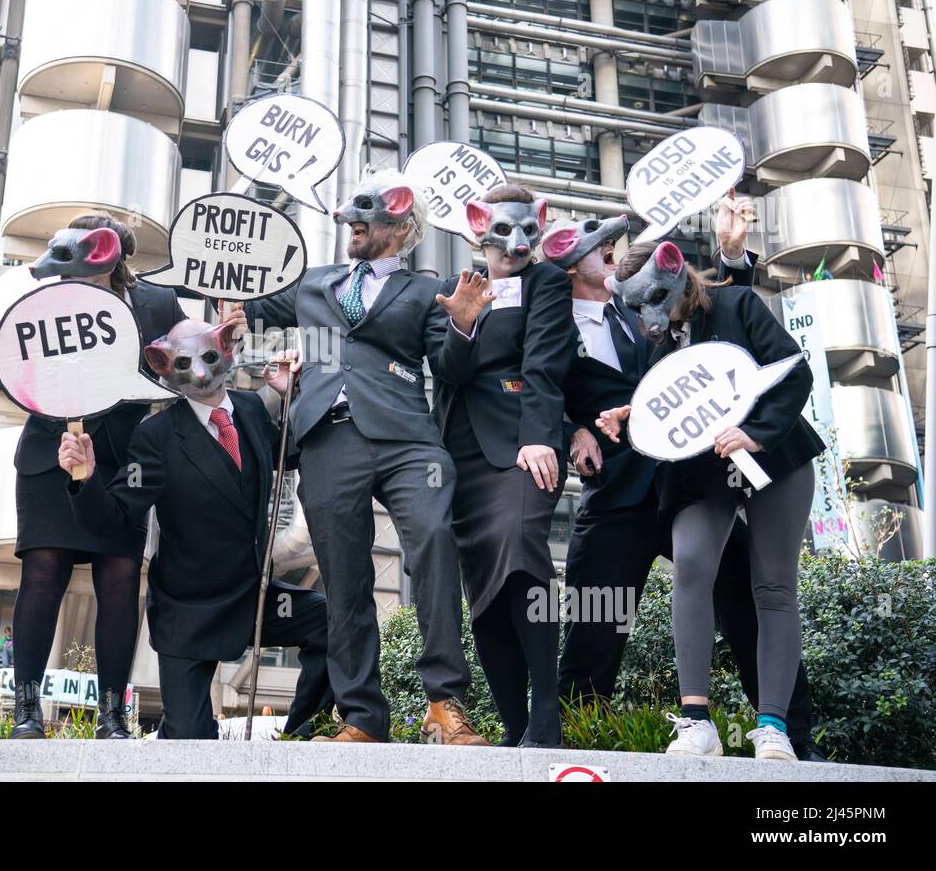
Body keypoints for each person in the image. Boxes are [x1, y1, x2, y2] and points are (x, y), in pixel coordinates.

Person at [550, 202, 822, 761]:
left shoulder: (697, 310)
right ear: (572, 268)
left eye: (613, 247)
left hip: (731, 469)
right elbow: (533, 387)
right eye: (597, 251)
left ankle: (786, 732)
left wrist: (756, 434)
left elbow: (753, 354)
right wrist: (593, 424)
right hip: (634, 492)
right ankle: (602, 735)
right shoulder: (551, 323)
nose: (610, 254)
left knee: (760, 593)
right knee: (604, 612)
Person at [223, 169, 485, 745]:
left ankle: (445, 703)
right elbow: (250, 312)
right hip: (327, 435)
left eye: (364, 220)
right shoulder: (312, 282)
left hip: (407, 437)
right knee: (344, 576)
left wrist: (463, 325)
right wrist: (231, 308)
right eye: (349, 220)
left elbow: (450, 370)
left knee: (435, 543)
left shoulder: (427, 289)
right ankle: (362, 716)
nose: (351, 227)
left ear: (399, 227)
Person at [59, 322, 333, 739]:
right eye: (184, 363)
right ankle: (177, 734)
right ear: (163, 367)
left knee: (332, 621)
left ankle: (300, 735)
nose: (200, 373)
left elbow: (290, 452)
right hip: (189, 614)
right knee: (190, 741)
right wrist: (86, 477)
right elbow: (113, 519)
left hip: (252, 599)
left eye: (208, 357)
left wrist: (290, 394)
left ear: (227, 350)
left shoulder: (253, 409)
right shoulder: (155, 436)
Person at [7, 215, 186, 740]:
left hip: (122, 461)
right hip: (50, 454)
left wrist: (227, 335)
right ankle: (25, 711)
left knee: (121, 579)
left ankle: (112, 715)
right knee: (42, 575)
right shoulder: (45, 301)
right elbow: (20, 367)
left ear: (108, 256)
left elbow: (185, 368)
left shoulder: (155, 304)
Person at [431, 184, 577, 747]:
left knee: (521, 552)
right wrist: (463, 325)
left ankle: (547, 715)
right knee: (486, 591)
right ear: (476, 227)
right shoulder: (453, 289)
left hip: (521, 446)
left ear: (538, 225)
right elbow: (448, 373)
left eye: (526, 230)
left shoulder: (547, 283)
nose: (514, 244)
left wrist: (540, 437)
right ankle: (517, 728)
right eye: (501, 231)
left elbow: (545, 365)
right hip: (459, 454)